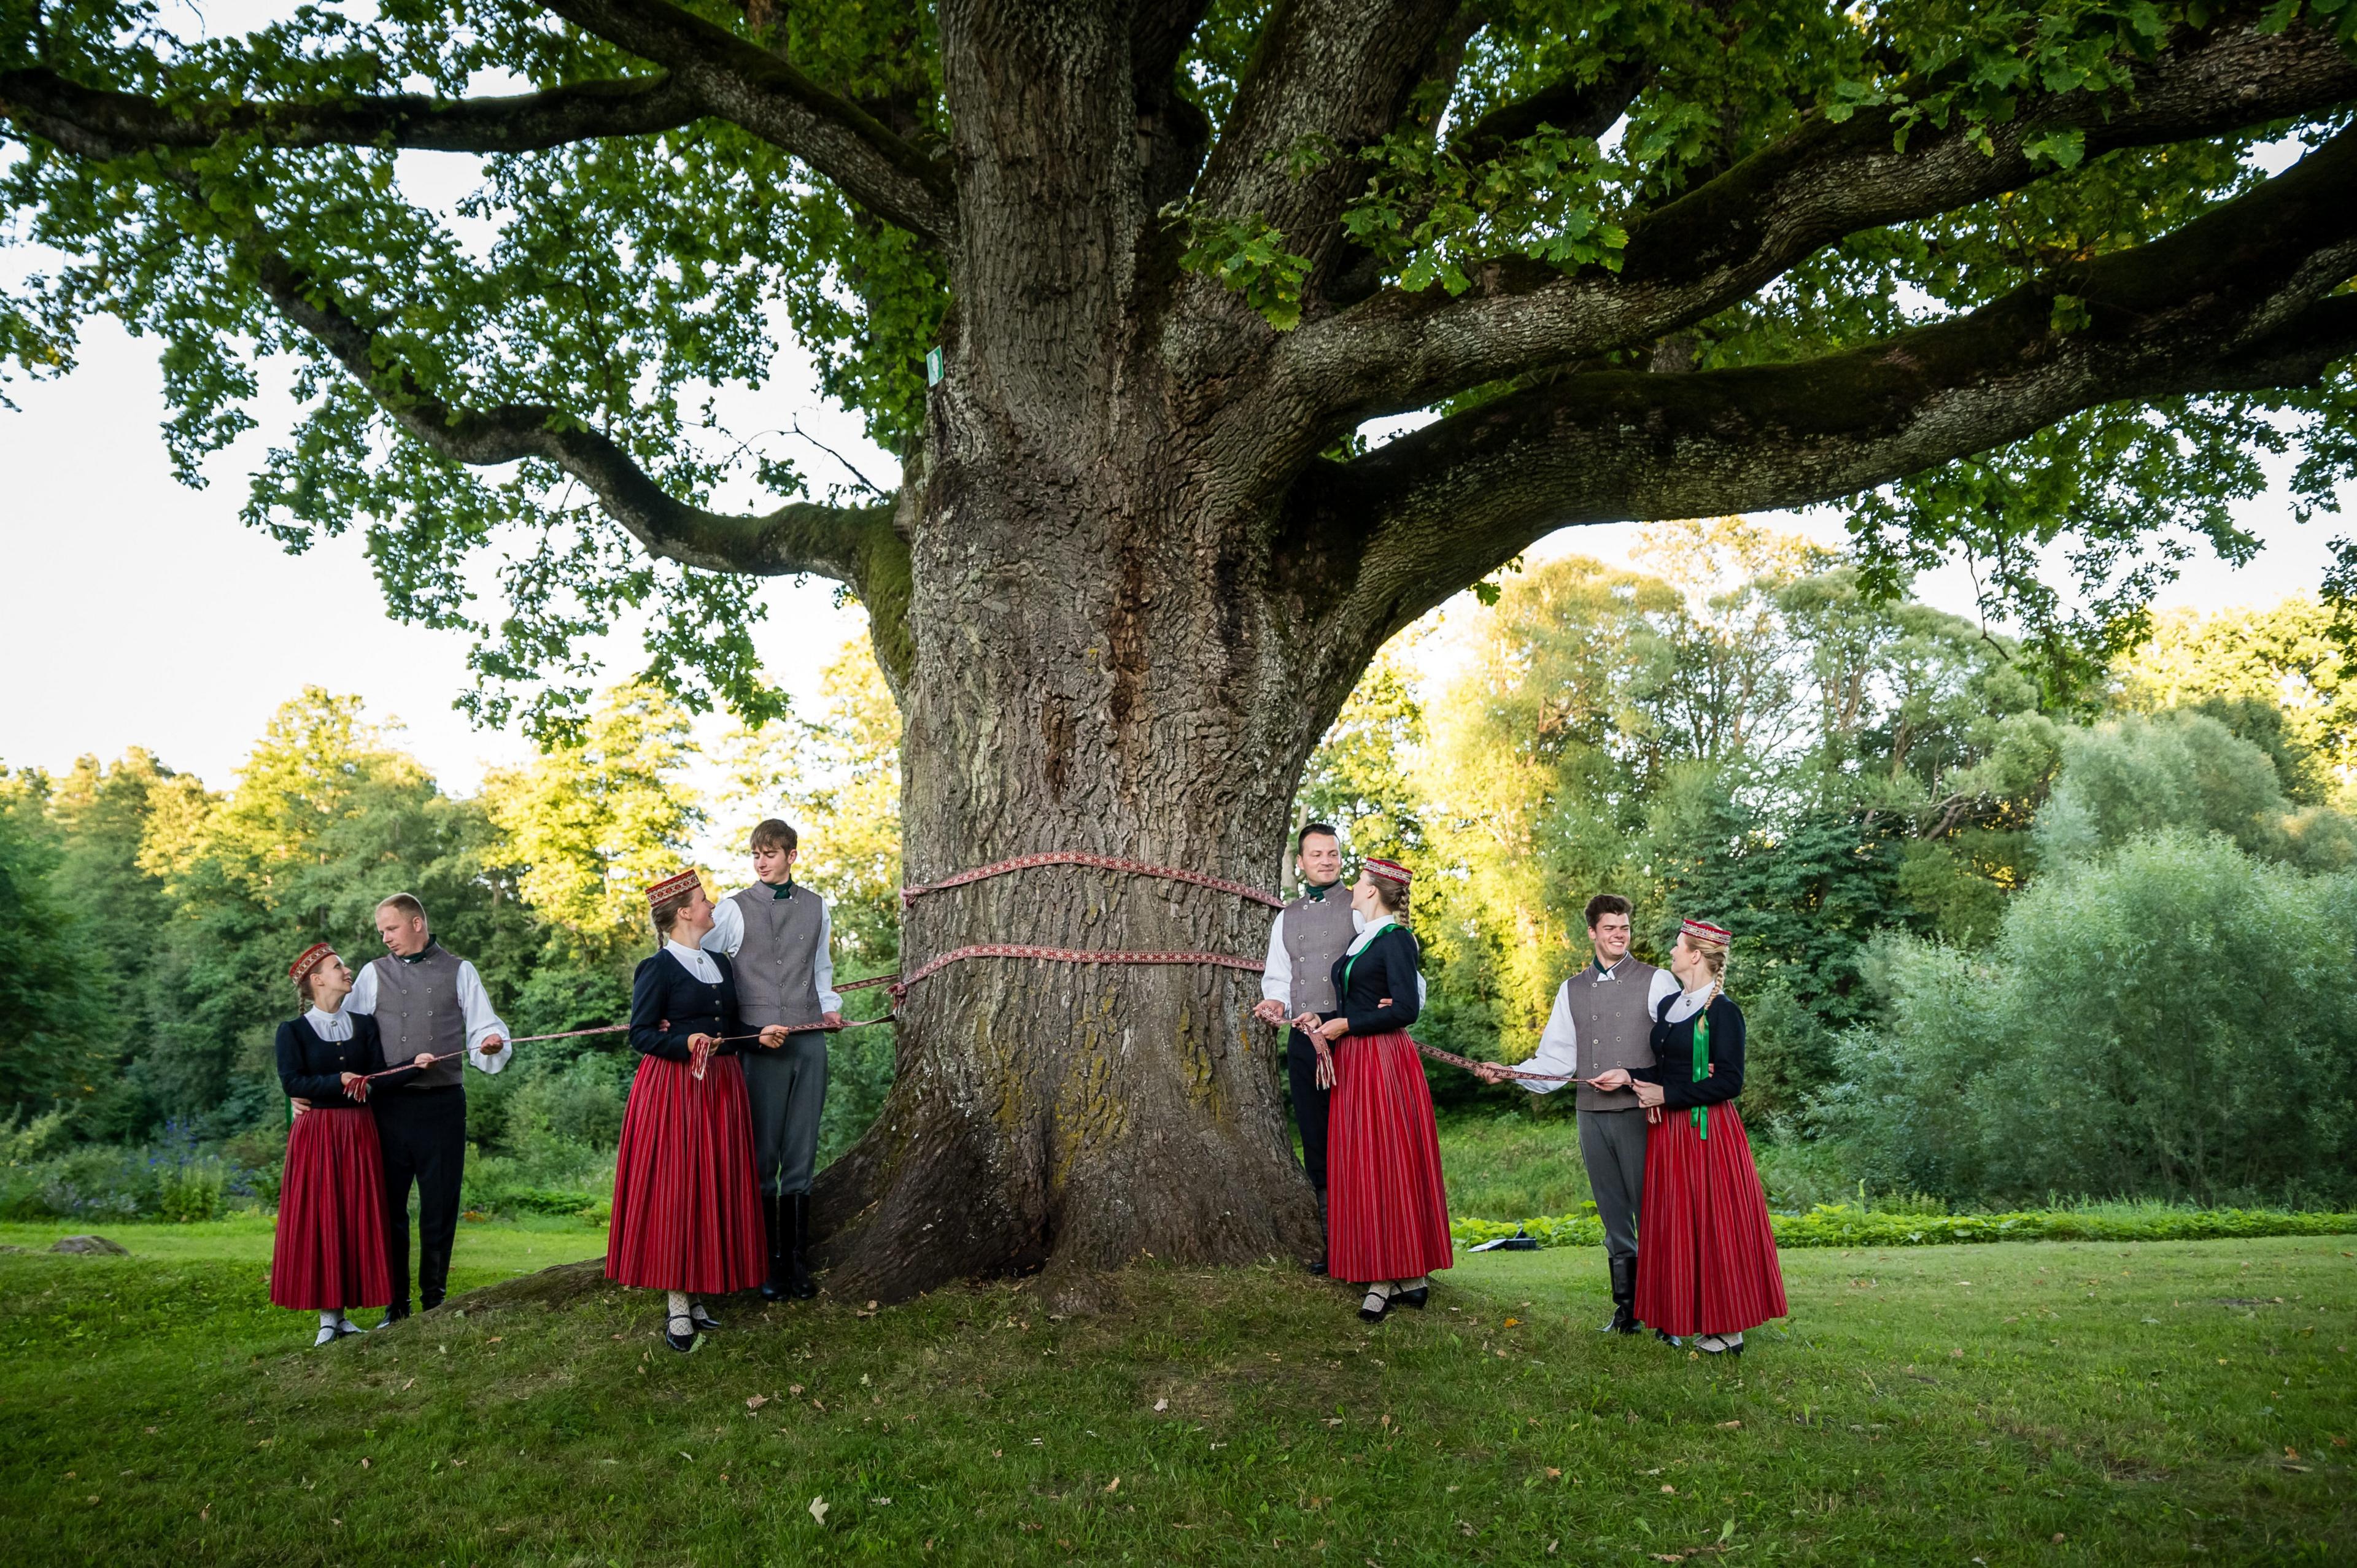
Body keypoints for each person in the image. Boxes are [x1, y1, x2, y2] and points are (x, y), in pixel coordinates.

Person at [1477, 894, 1678, 1334]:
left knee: (1654, 1213)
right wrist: (1510, 1072)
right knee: (1613, 1216)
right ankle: (1627, 1311)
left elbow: (1678, 1052)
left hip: (1642, 1116)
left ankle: (1669, 1315)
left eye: (1624, 927)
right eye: (1610, 928)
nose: (1619, 935)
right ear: (1592, 932)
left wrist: (1642, 1081)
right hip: (1591, 1115)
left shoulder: (1658, 981)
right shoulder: (1572, 989)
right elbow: (1554, 1060)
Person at [1594, 919, 1786, 1355]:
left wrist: (1668, 1094)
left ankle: (1727, 1328)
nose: (1673, 952)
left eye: (1679, 946)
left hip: (1707, 1134)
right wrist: (1629, 1075)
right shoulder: (1670, 1007)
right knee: (1682, 1223)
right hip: (1669, 1133)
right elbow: (1666, 1071)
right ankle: (1696, 1316)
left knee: (1713, 1222)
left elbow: (1730, 1082)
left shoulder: (1724, 1012)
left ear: (1697, 955)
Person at [610, 870, 781, 1350]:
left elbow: (732, 1023)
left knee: (713, 1184)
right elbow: (641, 1034)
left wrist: (760, 1033)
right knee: (679, 1186)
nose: (712, 905)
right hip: (674, 1090)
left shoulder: (721, 965)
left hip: (722, 1087)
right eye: (705, 900)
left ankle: (701, 1289)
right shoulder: (657, 968)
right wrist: (683, 1041)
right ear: (684, 912)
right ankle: (678, 1301)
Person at [1299, 857, 1452, 1321]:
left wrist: (1347, 1022)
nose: (1353, 887)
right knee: (1363, 1159)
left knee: (1384, 1159)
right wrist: (1324, 1021)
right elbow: (1363, 1002)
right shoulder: (1363, 940)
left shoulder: (1397, 939)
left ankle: (1387, 1277)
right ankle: (1408, 1277)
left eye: (1360, 881)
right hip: (1356, 1059)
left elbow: (1405, 1009)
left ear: (1371, 890)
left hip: (1384, 1062)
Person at [346, 894, 511, 1323]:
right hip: (387, 1107)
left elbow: (484, 1024)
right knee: (388, 1208)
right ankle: (395, 1305)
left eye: (391, 928)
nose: (385, 938)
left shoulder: (460, 970)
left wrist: (491, 1042)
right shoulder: (370, 974)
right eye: (381, 930)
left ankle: (434, 1301)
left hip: (442, 1106)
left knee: (439, 1205)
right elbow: (346, 1035)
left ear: (417, 922)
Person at [701, 819, 843, 1300]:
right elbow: (701, 960)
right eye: (755, 854)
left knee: (801, 1153)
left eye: (770, 853)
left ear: (791, 855)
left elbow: (822, 969)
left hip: (809, 1040)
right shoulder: (732, 909)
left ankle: (796, 1262)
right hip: (760, 1046)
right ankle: (764, 1264)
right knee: (763, 1155)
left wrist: (831, 1009)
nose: (761, 861)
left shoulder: (818, 907)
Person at [272, 943, 432, 1345]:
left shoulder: (363, 1025)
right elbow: (293, 1082)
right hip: (318, 1136)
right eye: (337, 966)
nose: (347, 971)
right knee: (325, 1216)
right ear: (317, 979)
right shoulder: (292, 1031)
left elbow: (375, 1078)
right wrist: (337, 1082)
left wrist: (415, 1064)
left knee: (353, 1215)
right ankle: (330, 1318)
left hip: (359, 1132)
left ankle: (343, 1317)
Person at [1252, 822, 1355, 1273]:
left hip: (1351, 1037)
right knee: (1317, 1141)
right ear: (1301, 862)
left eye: (1332, 853)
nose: (1327, 860)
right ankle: (1336, 1247)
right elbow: (1279, 975)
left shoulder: (1360, 905)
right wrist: (1275, 999)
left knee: (1357, 1139)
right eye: (1317, 854)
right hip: (1302, 1042)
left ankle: (1370, 1242)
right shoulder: (1286, 916)